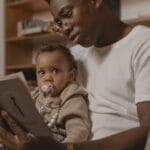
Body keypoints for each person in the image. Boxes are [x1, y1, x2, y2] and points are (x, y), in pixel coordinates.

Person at [0, 0, 150, 149]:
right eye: (58, 23)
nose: (64, 27)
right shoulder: (73, 56)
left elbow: (147, 132)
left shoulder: (142, 44)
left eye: (67, 14)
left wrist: (64, 148)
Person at [31, 44, 90, 143]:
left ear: (71, 76)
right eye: (42, 72)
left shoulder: (72, 97)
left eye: (55, 71)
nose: (47, 78)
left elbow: (78, 132)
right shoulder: (36, 95)